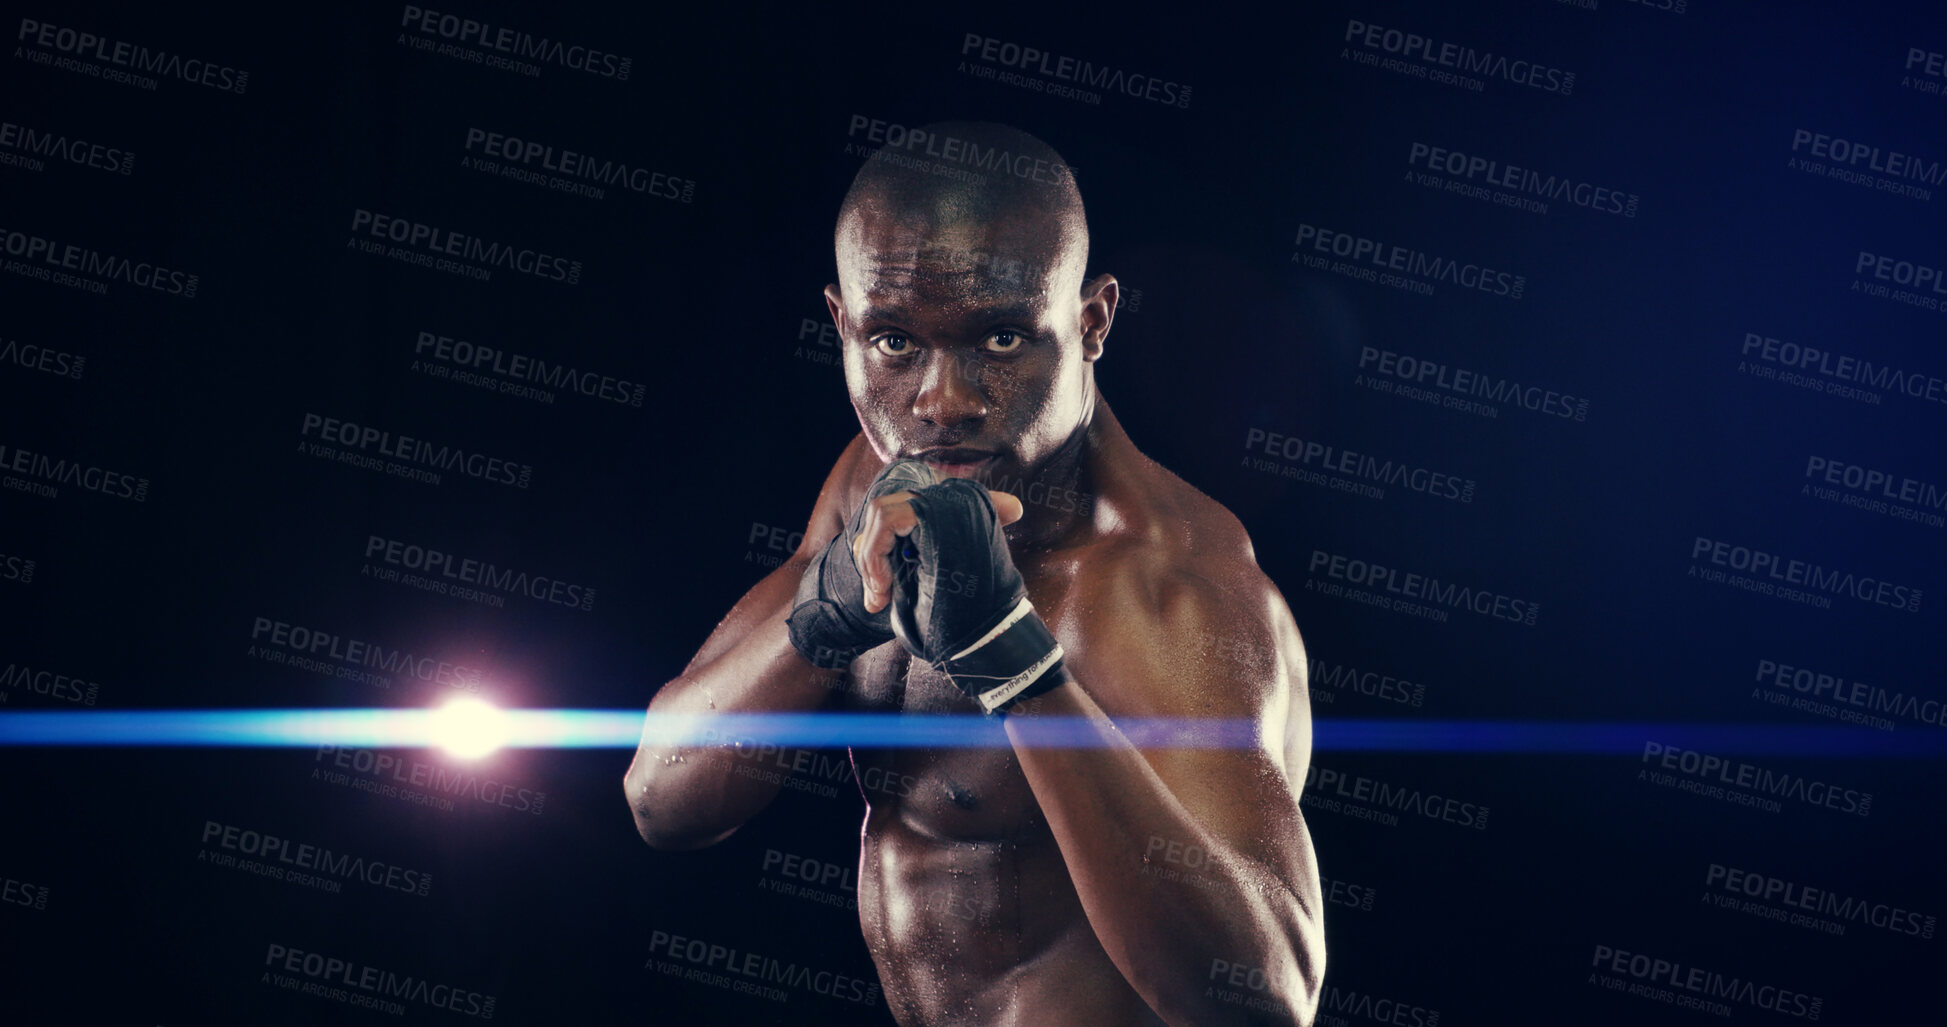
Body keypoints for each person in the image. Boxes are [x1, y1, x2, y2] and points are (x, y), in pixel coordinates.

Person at [624, 121, 1324, 1026]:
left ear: (1091, 322)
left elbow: (1264, 1000)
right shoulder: (876, 485)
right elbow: (660, 799)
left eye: (999, 339)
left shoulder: (1164, 591)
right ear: (841, 325)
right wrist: (825, 615)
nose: (940, 403)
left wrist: (1016, 665)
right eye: (893, 344)